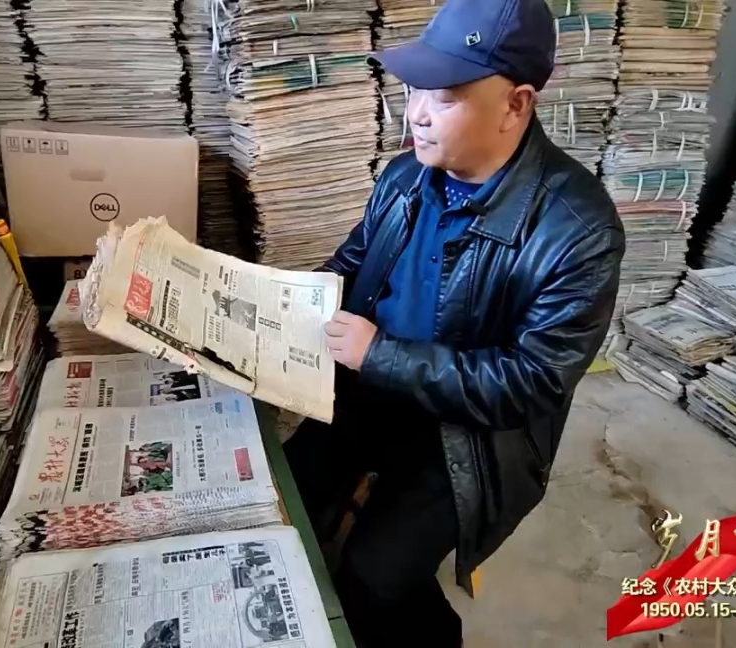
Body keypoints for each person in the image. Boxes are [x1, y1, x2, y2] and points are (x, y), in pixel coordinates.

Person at [283, 0, 625, 645]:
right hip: (368, 393)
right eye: (412, 90)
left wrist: (379, 354)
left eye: (442, 97)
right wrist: (278, 308)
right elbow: (352, 264)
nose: (415, 113)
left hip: (466, 441)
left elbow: (531, 383)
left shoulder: (577, 231)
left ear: (515, 105)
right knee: (282, 501)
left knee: (374, 580)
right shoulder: (406, 176)